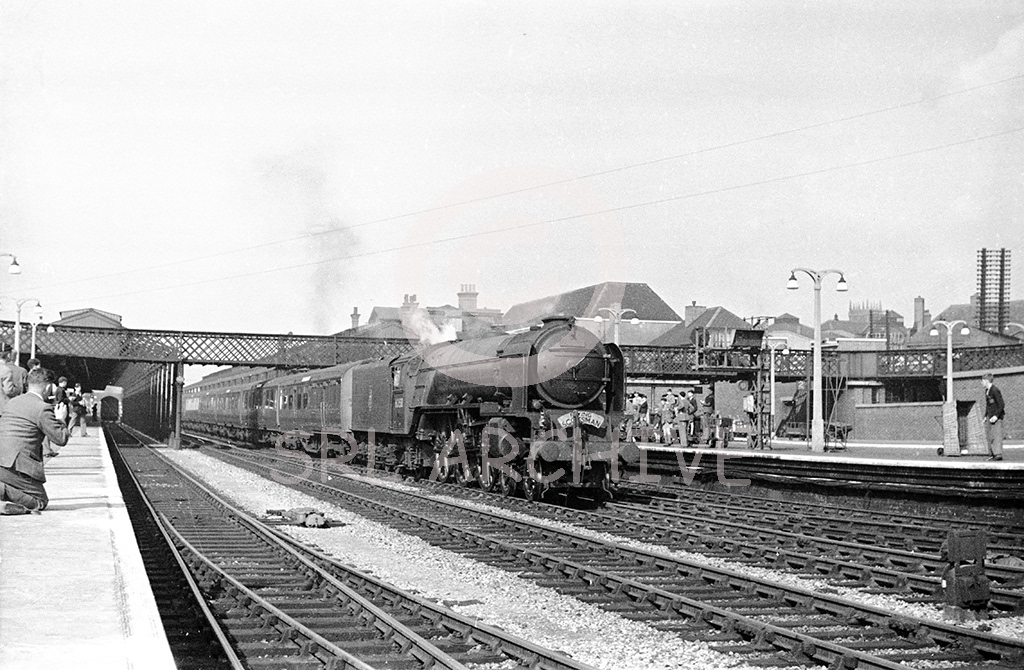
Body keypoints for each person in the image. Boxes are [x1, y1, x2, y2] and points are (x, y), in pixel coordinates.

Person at [0, 367, 70, 514]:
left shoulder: (12, 402)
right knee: (40, 501)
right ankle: (2, 491)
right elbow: (60, 439)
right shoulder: (42, 408)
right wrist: (62, 419)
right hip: (17, 466)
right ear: (48, 387)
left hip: (2, 460)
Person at [982, 374, 1005, 461]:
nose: (982, 383)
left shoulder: (995, 390)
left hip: (996, 417)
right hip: (990, 416)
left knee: (996, 435)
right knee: (990, 435)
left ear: (986, 381)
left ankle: (998, 454)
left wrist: (996, 416)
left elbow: (1001, 404)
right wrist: (985, 416)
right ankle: (992, 453)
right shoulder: (987, 391)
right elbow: (988, 405)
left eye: (982, 381)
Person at [0, 350, 28, 417]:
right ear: (8, 355)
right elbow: (8, 390)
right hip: (3, 407)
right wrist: (18, 389)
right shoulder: (6, 370)